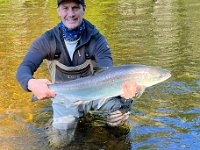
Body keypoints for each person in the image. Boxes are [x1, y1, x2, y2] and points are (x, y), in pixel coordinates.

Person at [16, 0, 140, 147]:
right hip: (64, 97)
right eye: (65, 8)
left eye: (75, 8)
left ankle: (112, 133)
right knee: (59, 142)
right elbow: (23, 69)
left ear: (83, 9)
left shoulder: (97, 40)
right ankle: (56, 125)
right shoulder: (47, 40)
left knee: (120, 116)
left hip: (95, 94)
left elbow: (108, 74)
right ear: (58, 11)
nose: (70, 14)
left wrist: (126, 96)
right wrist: (32, 83)